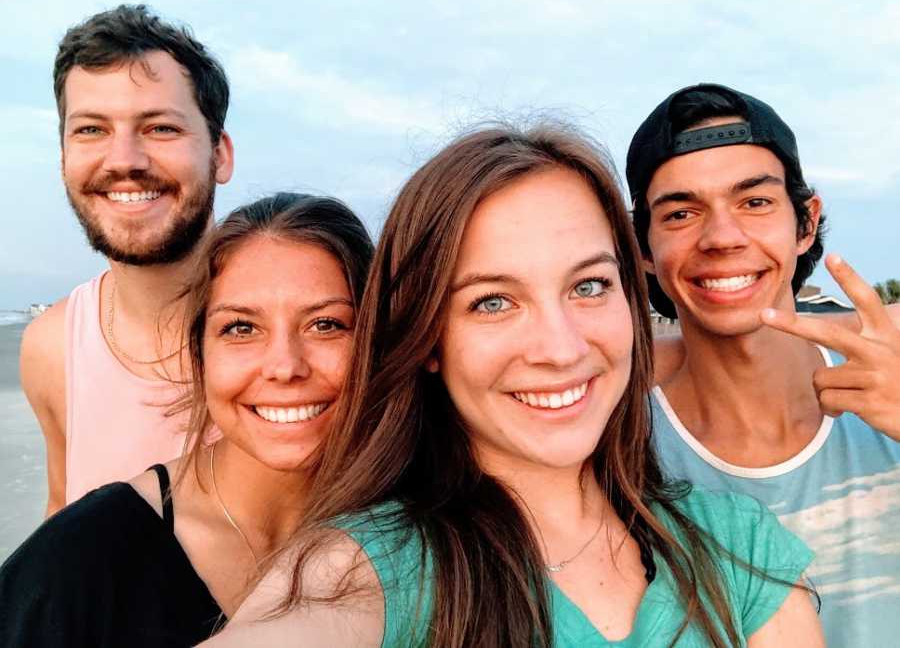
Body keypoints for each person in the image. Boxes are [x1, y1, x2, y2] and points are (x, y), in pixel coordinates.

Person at [203, 125, 823, 647]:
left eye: (588, 287)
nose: (561, 349)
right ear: (428, 342)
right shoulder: (373, 569)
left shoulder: (735, 548)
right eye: (494, 301)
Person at [0, 193, 374, 647]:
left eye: (327, 324)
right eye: (241, 328)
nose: (284, 365)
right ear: (199, 358)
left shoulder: (429, 533)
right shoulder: (77, 567)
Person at [627, 83, 900, 646]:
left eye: (755, 202)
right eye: (680, 213)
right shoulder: (615, 441)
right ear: (645, 251)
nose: (723, 237)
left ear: (805, 223)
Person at [19, 4, 234, 514]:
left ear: (220, 154)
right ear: (63, 156)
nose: (124, 162)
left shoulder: (312, 329)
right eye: (91, 130)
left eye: (160, 128)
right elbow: (63, 521)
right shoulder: (52, 347)